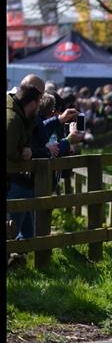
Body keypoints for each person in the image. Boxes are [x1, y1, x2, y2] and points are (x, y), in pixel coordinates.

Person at [7, 76, 44, 242]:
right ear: (33, 104)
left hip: (18, 181)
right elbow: (9, 150)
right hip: (14, 181)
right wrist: (24, 154)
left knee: (27, 234)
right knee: (11, 232)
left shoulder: (18, 115)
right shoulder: (13, 119)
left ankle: (20, 258)